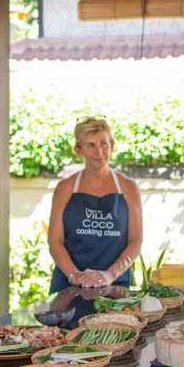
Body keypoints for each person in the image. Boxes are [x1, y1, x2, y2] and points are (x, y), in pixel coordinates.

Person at [48, 116, 143, 292]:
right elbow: (55, 241)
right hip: (68, 286)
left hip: (115, 285)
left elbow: (135, 241)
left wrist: (109, 275)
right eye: (90, 145)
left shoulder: (129, 188)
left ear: (112, 145)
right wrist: (75, 276)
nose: (99, 152)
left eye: (103, 144)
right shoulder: (65, 188)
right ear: (78, 150)